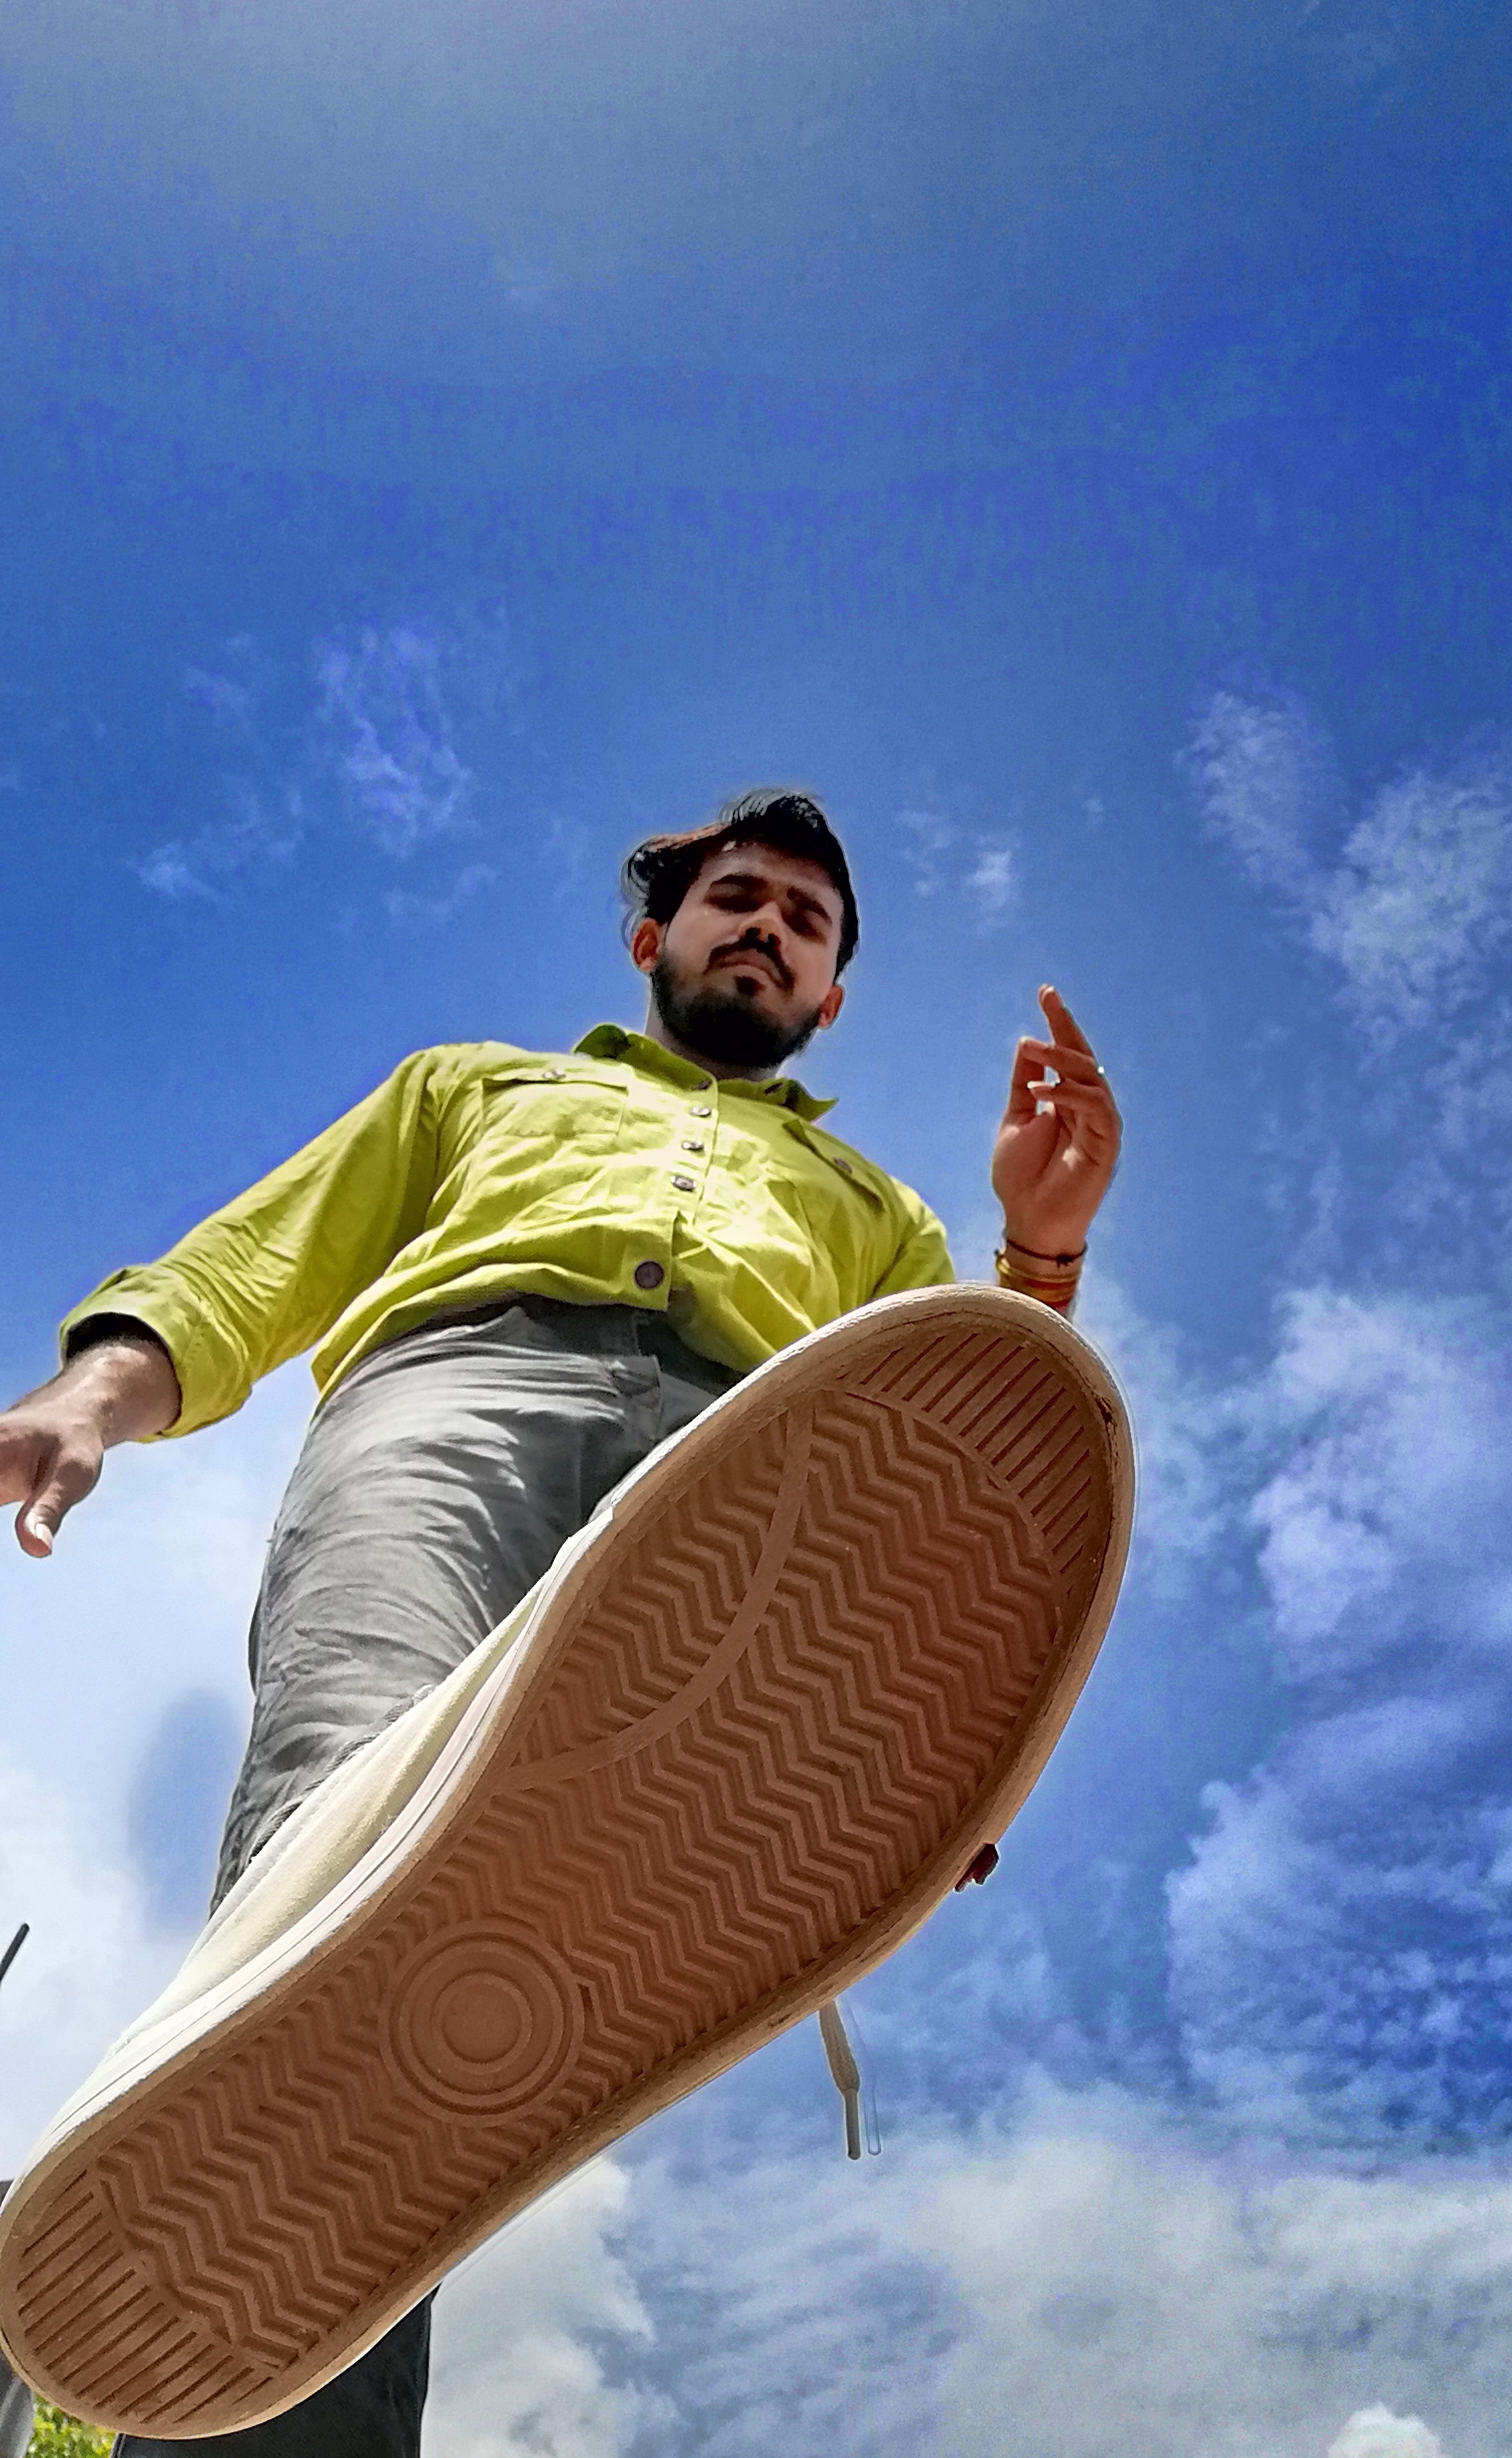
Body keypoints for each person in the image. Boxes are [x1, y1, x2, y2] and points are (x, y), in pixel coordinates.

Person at [0, 789, 1123, 2457]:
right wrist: (97, 1392)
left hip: (745, 1486)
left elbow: (949, 1473)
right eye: (738, 899)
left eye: (807, 922)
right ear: (655, 939)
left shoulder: (881, 1214)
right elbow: (263, 1259)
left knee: (438, 1979)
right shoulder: (475, 1088)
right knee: (331, 1855)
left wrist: (1040, 1250)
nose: (769, 927)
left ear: (832, 999)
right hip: (455, 1401)